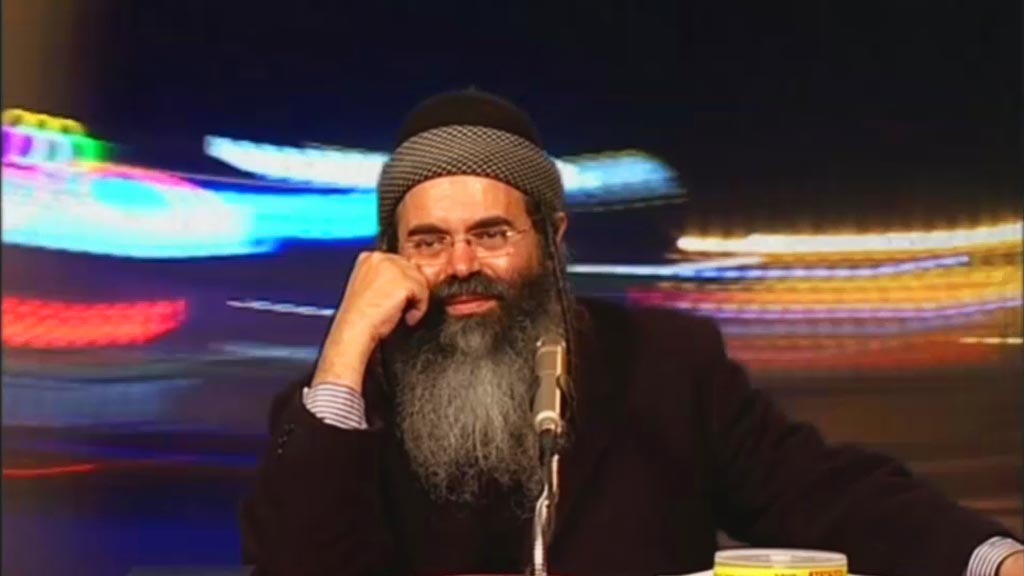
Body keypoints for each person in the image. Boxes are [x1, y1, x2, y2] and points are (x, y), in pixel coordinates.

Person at [240, 90, 1022, 576]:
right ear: (390, 257)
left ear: (552, 239)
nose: (462, 265)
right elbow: (293, 563)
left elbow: (824, 494)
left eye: (491, 234)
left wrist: (993, 561)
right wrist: (345, 346)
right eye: (428, 242)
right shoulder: (342, 403)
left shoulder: (664, 367)